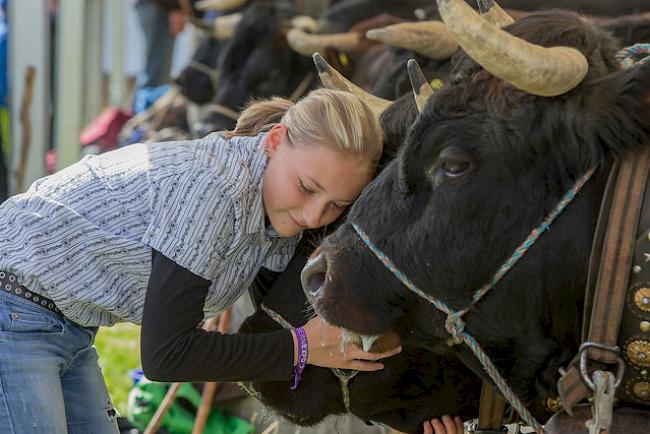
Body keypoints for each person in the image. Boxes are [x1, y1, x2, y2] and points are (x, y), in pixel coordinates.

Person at [0, 88, 402, 433]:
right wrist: (300, 347)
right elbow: (165, 356)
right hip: (12, 307)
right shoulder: (215, 192)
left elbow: (288, 320)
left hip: (62, 325)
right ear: (276, 140)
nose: (314, 217)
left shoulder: (278, 211)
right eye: (306, 188)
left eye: (336, 205)